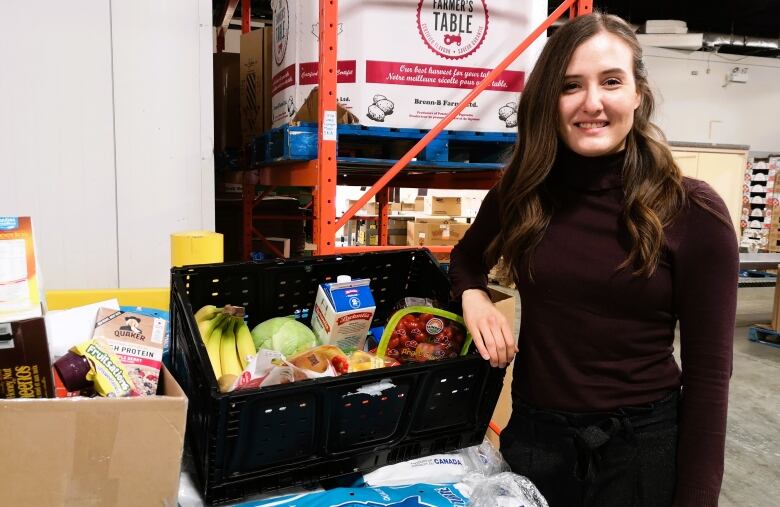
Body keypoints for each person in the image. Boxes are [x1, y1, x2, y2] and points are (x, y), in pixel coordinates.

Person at [449, 12, 738, 507]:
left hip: (640, 453)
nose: (592, 103)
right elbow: (465, 258)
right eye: (570, 86)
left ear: (638, 94)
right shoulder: (523, 193)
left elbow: (710, 378)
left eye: (610, 82)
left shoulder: (692, 212)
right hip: (536, 443)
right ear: (550, 99)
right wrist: (473, 295)